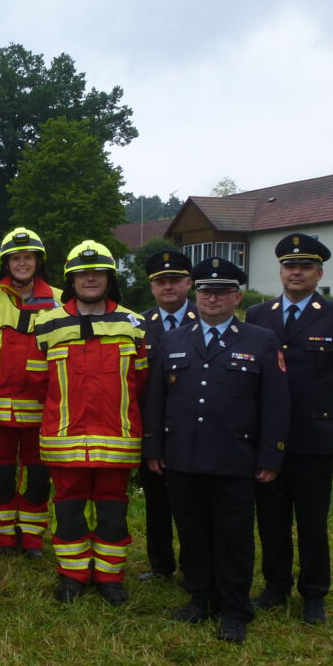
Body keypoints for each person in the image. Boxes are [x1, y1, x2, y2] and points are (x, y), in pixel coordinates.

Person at [144, 257, 289, 643]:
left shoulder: (260, 340)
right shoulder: (174, 338)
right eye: (207, 291)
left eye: (222, 291)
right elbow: (157, 399)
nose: (212, 298)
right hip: (183, 456)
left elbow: (276, 405)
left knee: (234, 537)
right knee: (192, 532)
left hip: (234, 459)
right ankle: (200, 598)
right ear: (197, 293)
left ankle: (235, 610)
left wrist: (270, 456)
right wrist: (154, 448)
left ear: (237, 297)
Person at [245, 233, 333, 625]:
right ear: (280, 271)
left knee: (312, 521)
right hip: (268, 437)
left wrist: (325, 411)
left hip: (314, 438)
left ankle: (314, 593)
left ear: (318, 272)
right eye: (288, 265)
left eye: (304, 266)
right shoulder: (258, 315)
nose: (295, 272)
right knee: (271, 516)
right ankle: (275, 586)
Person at [34, 240, 146, 605]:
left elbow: (142, 384)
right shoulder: (47, 324)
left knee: (113, 509)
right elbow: (38, 384)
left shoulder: (134, 325)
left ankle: (110, 577)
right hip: (64, 439)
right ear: (71, 280)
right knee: (68, 508)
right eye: (83, 273)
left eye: (97, 272)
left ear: (109, 277)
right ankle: (72, 576)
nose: (91, 278)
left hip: (118, 439)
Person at [0, 228, 60, 557]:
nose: (22, 263)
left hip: (43, 405)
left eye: (28, 257)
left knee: (37, 473)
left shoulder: (59, 300)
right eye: (16, 258)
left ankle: (32, 536)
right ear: (6, 263)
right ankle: (2, 534)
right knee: (0, 472)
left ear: (39, 261)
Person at [136, 249, 199, 581]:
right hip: (151, 429)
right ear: (152, 288)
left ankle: (193, 565)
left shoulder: (207, 320)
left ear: (188, 282)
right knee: (156, 503)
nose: (168, 287)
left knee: (191, 506)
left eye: (175, 280)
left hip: (193, 431)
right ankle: (160, 565)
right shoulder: (137, 325)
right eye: (161, 282)